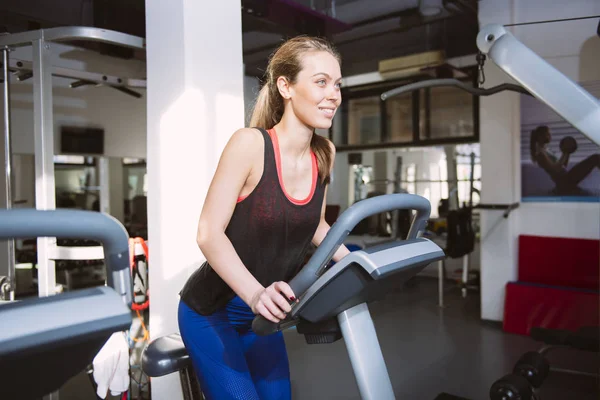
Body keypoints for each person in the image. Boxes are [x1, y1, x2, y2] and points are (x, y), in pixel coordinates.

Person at [178, 36, 350, 400]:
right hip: (213, 312)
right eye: (321, 82)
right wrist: (256, 294)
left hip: (265, 313)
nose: (333, 94)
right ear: (286, 86)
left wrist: (357, 264)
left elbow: (316, 226)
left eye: (337, 84)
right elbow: (209, 233)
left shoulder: (324, 153)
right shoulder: (250, 145)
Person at [530, 125, 599, 194]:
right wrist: (565, 152)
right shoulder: (540, 154)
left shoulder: (547, 150)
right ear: (540, 136)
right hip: (565, 181)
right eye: (547, 134)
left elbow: (563, 166)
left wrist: (567, 153)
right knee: (595, 158)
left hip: (566, 178)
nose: (550, 136)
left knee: (596, 157)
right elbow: (555, 169)